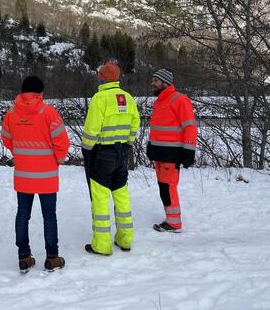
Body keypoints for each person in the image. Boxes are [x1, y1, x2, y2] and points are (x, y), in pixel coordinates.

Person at [1, 76, 70, 273]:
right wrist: (59, 159)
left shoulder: (11, 113)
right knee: (49, 216)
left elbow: (6, 139)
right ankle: (52, 257)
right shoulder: (48, 112)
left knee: (23, 214)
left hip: (23, 174)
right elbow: (62, 141)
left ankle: (24, 256)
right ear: (40, 93)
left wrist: (20, 154)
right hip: (46, 175)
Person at [81, 62, 140, 255]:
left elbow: (91, 129)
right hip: (122, 153)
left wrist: (87, 149)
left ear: (103, 78)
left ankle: (102, 244)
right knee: (121, 195)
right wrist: (127, 145)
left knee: (100, 197)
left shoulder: (100, 98)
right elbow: (134, 126)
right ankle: (125, 239)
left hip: (101, 153)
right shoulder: (129, 99)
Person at [147, 69, 198, 233]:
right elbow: (158, 129)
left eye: (156, 80)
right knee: (163, 187)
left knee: (168, 188)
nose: (152, 83)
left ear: (165, 82)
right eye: (153, 80)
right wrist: (151, 146)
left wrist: (189, 151)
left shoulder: (180, 100)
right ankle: (171, 220)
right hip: (159, 153)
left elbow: (189, 127)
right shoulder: (159, 102)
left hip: (171, 154)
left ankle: (174, 223)